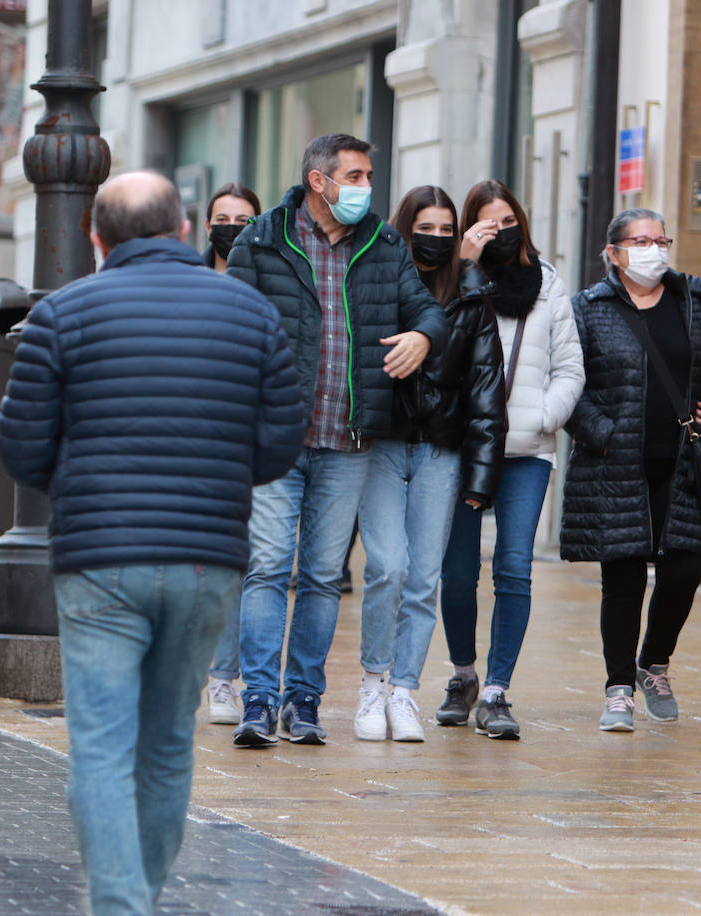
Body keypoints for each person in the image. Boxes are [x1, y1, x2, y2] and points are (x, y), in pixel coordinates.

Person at [0, 171, 302, 915]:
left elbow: (19, 448)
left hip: (99, 562)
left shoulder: (63, 315)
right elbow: (281, 443)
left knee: (100, 748)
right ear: (186, 231)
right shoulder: (251, 313)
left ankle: (120, 906)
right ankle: (138, 900)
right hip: (206, 559)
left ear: (94, 239)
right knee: (166, 745)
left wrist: (74, 480)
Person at [225, 133, 447, 748]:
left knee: (323, 576)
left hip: (348, 441)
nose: (365, 187)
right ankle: (258, 701)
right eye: (354, 176)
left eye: (368, 175)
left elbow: (426, 310)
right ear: (319, 182)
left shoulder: (384, 243)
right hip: (275, 438)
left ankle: (303, 701)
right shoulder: (263, 238)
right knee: (268, 568)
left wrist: (424, 338)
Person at [562, 207, 701, 732]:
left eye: (660, 239)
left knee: (685, 570)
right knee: (622, 577)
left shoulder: (692, 297)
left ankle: (654, 664)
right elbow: (567, 379)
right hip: (614, 467)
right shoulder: (587, 309)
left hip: (683, 460)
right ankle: (618, 688)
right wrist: (601, 431)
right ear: (613, 253)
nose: (653, 250)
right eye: (639, 241)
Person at [354, 185, 506, 742]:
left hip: (443, 451)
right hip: (381, 446)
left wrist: (482, 476)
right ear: (404, 227)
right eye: (427, 228)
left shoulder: (471, 295)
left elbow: (488, 388)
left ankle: (404, 691)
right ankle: (373, 681)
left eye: (448, 230)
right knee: (386, 567)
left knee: (422, 579)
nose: (437, 239)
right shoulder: (379, 279)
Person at [436, 179, 583, 740]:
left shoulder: (547, 284)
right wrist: (464, 266)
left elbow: (570, 366)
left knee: (514, 567)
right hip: (465, 447)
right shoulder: (452, 283)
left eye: (507, 221)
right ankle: (463, 674)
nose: (499, 232)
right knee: (456, 571)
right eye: (486, 224)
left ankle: (496, 690)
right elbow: (439, 345)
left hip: (527, 450)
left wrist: (545, 415)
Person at [201, 181, 262, 727]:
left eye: (245, 220)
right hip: (193, 443)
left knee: (236, 563)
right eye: (224, 219)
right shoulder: (189, 284)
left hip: (247, 441)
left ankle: (223, 678)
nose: (233, 229)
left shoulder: (269, 283)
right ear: (207, 226)